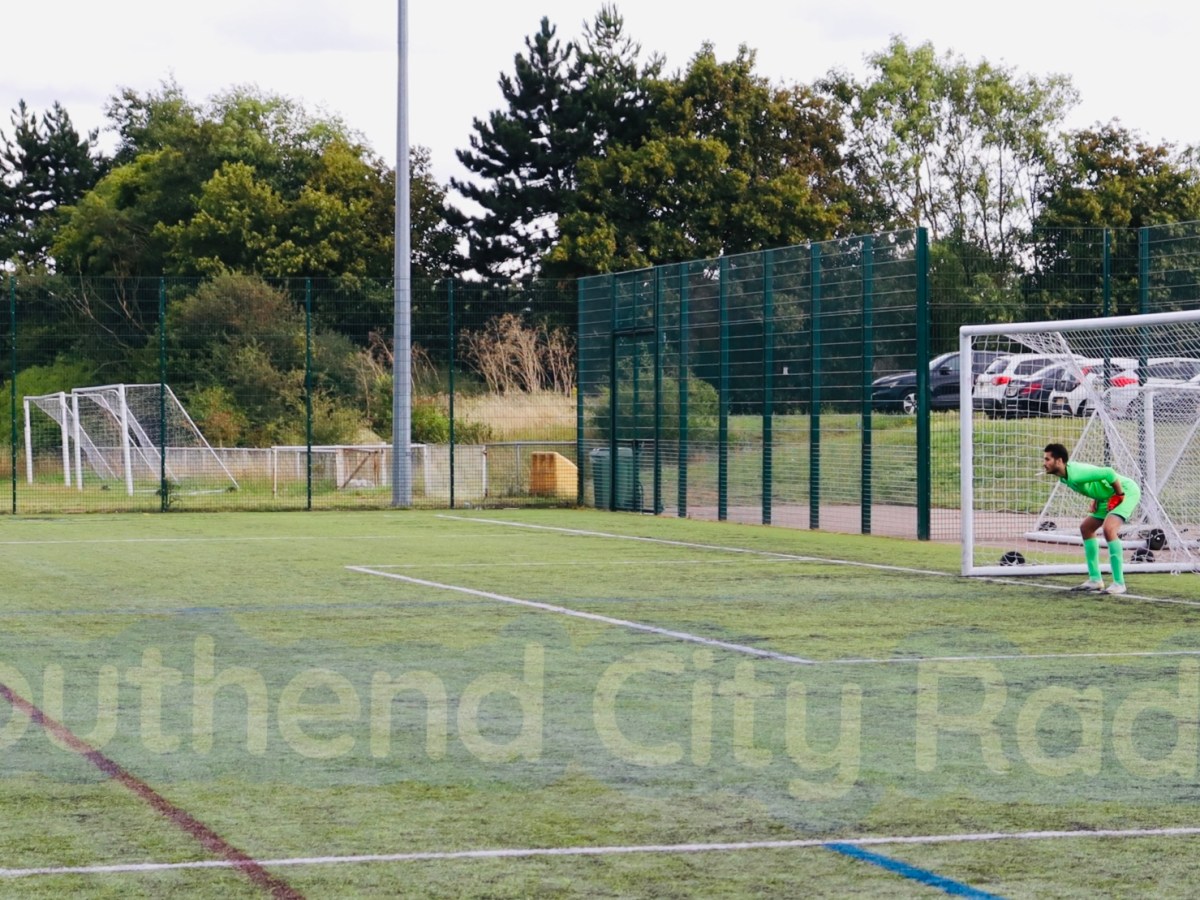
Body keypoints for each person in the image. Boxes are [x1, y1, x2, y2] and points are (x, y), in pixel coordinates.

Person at [1042, 443, 1140, 595]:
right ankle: (1095, 580)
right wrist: (1096, 498)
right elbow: (1095, 481)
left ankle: (1119, 583)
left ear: (1059, 461)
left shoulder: (1076, 473)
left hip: (1125, 491)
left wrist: (1119, 495)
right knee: (1086, 528)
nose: (1044, 463)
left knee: (1109, 529)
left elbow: (1109, 473)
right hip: (1106, 496)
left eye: (1047, 459)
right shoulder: (1064, 477)